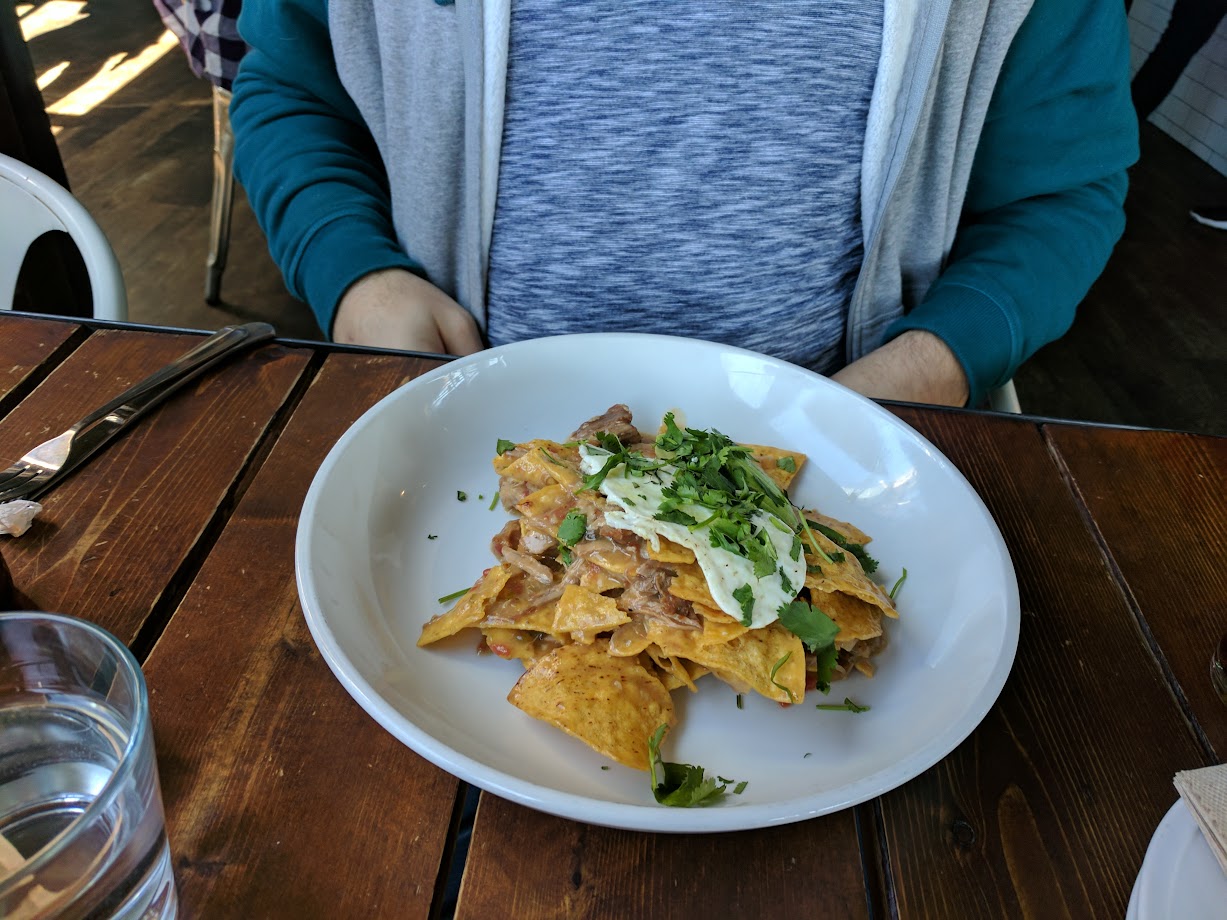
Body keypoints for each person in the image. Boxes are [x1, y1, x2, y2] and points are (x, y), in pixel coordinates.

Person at [229, 0, 1138, 409]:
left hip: (851, 452)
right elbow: (295, 87)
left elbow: (1058, 192)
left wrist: (933, 366)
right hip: (455, 433)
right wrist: (355, 274)